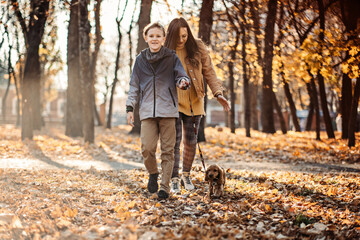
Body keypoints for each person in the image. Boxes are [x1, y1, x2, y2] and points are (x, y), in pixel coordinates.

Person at [164, 17, 231, 193]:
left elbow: (209, 71)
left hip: (195, 101)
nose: (181, 40)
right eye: (178, 36)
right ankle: (174, 179)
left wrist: (218, 94)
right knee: (175, 142)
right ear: (171, 35)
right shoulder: (165, 50)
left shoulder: (198, 47)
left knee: (191, 142)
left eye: (184, 36)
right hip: (173, 102)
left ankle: (186, 175)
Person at [126, 22, 190, 199]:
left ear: (163, 38)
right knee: (147, 148)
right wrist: (130, 108)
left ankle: (164, 188)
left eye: (158, 36)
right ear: (146, 38)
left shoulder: (171, 57)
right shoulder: (140, 60)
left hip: (168, 111)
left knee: (168, 151)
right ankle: (153, 173)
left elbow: (181, 75)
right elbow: (134, 86)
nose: (154, 39)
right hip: (147, 111)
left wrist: (183, 82)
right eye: (151, 36)